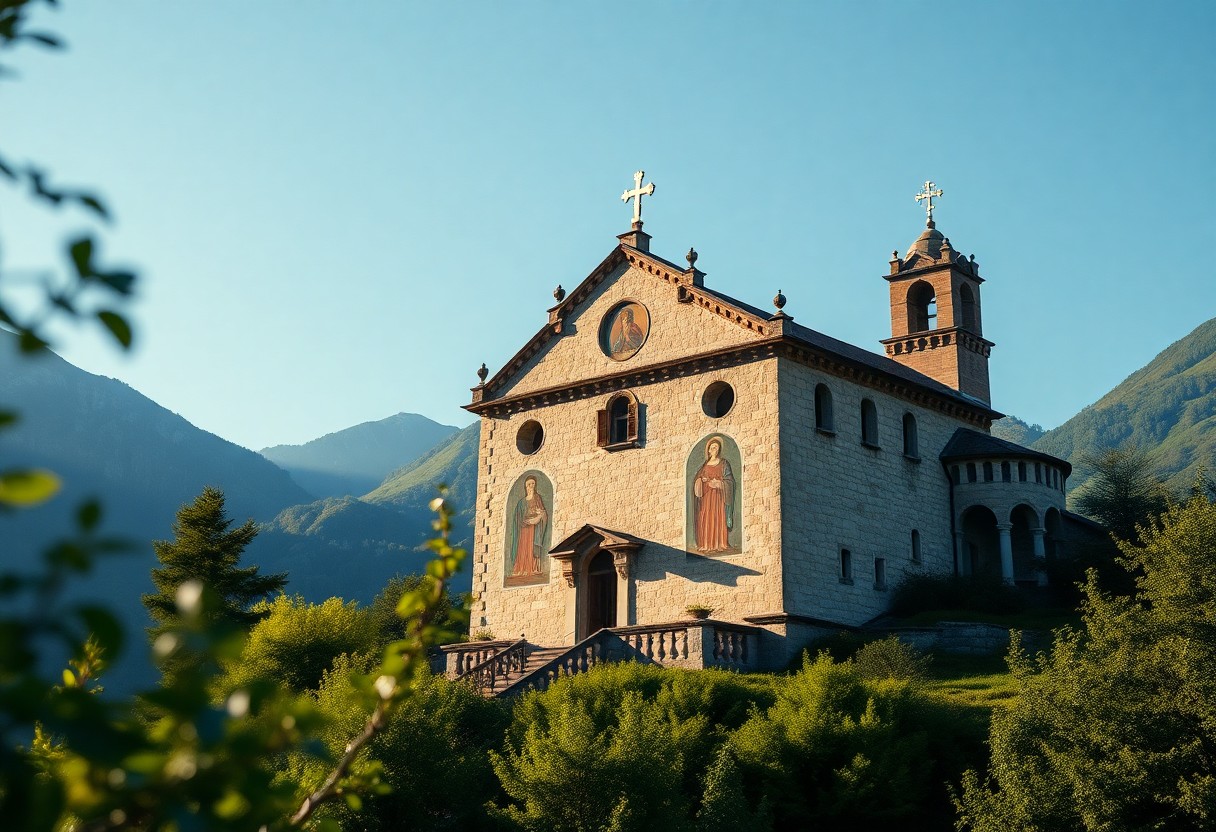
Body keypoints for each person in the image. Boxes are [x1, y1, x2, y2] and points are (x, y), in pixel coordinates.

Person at [692, 437, 735, 553]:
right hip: (706, 497)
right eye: (712, 447)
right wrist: (701, 480)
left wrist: (720, 483)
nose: (713, 449)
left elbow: (730, 481)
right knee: (706, 518)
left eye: (716, 447)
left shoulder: (724, 463)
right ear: (709, 450)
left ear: (719, 449)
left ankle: (719, 544)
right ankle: (706, 544)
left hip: (718, 497)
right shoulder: (705, 465)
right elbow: (698, 480)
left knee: (717, 517)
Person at [508, 475, 548, 577]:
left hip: (535, 528)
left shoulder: (537, 498)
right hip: (525, 528)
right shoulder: (521, 502)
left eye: (533, 484)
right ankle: (522, 569)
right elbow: (517, 517)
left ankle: (533, 568)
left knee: (533, 547)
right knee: (524, 547)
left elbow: (543, 512)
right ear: (526, 486)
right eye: (529, 484)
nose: (531, 486)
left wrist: (538, 517)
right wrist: (526, 521)